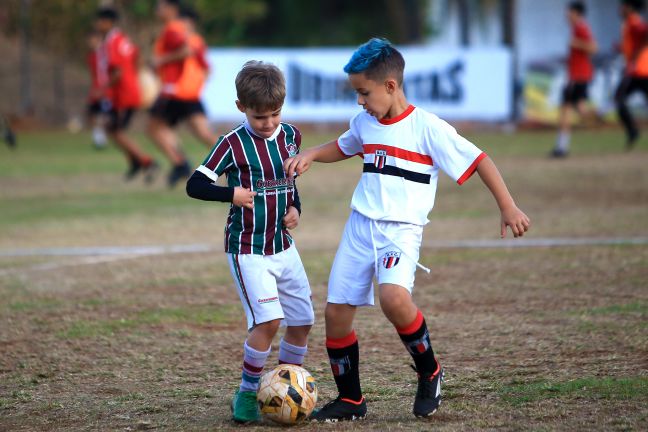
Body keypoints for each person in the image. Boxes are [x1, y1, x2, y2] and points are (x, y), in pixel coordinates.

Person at [284, 38, 531, 422]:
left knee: (394, 300)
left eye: (363, 92)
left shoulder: (427, 127)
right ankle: (351, 400)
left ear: (390, 86)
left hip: (401, 229)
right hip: (360, 226)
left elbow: (479, 159)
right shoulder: (365, 122)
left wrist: (508, 205)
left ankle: (430, 371)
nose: (360, 102)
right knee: (335, 313)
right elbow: (346, 145)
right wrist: (313, 154)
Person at [186, 61, 314, 424]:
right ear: (242, 107)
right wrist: (231, 194)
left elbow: (290, 184)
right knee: (270, 321)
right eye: (260, 116)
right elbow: (194, 184)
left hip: (283, 246)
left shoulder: (291, 136)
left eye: (275, 114)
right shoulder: (231, 143)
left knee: (303, 320)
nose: (269, 122)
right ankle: (246, 394)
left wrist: (294, 207)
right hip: (248, 249)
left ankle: (288, 391)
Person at [149, 0, 218, 187]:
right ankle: (235, 160)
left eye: (160, 5)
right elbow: (207, 69)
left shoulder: (172, 30)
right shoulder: (196, 38)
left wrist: (159, 61)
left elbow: (185, 51)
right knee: (201, 132)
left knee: (154, 127)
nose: (157, 9)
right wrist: (195, 83)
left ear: (172, 10)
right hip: (191, 94)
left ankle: (180, 163)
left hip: (175, 91)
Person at [95, 8, 158, 182]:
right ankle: (136, 161)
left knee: (116, 130)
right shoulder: (122, 39)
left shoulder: (111, 42)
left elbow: (117, 72)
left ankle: (147, 161)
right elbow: (136, 58)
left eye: (100, 21)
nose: (97, 24)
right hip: (128, 91)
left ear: (108, 22)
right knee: (113, 129)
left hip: (123, 94)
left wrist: (104, 88)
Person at [551, 1, 598, 158]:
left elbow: (593, 48)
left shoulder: (581, 28)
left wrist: (576, 43)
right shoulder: (577, 28)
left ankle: (561, 147)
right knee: (579, 108)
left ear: (577, 13)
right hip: (578, 75)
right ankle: (600, 119)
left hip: (578, 76)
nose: (566, 14)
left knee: (565, 109)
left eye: (569, 12)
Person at [615, 0, 648, 149]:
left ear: (629, 7)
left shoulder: (633, 22)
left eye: (623, 5)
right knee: (619, 98)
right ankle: (632, 131)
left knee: (619, 98)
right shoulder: (629, 23)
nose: (620, 8)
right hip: (639, 71)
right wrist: (623, 49)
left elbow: (644, 33)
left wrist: (636, 55)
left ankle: (633, 131)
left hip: (638, 71)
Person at [85, 30, 109, 150]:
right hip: (95, 89)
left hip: (104, 90)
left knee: (105, 115)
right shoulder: (91, 55)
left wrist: (104, 88)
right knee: (91, 113)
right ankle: (98, 138)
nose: (90, 42)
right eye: (89, 40)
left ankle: (102, 138)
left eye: (93, 39)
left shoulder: (105, 53)